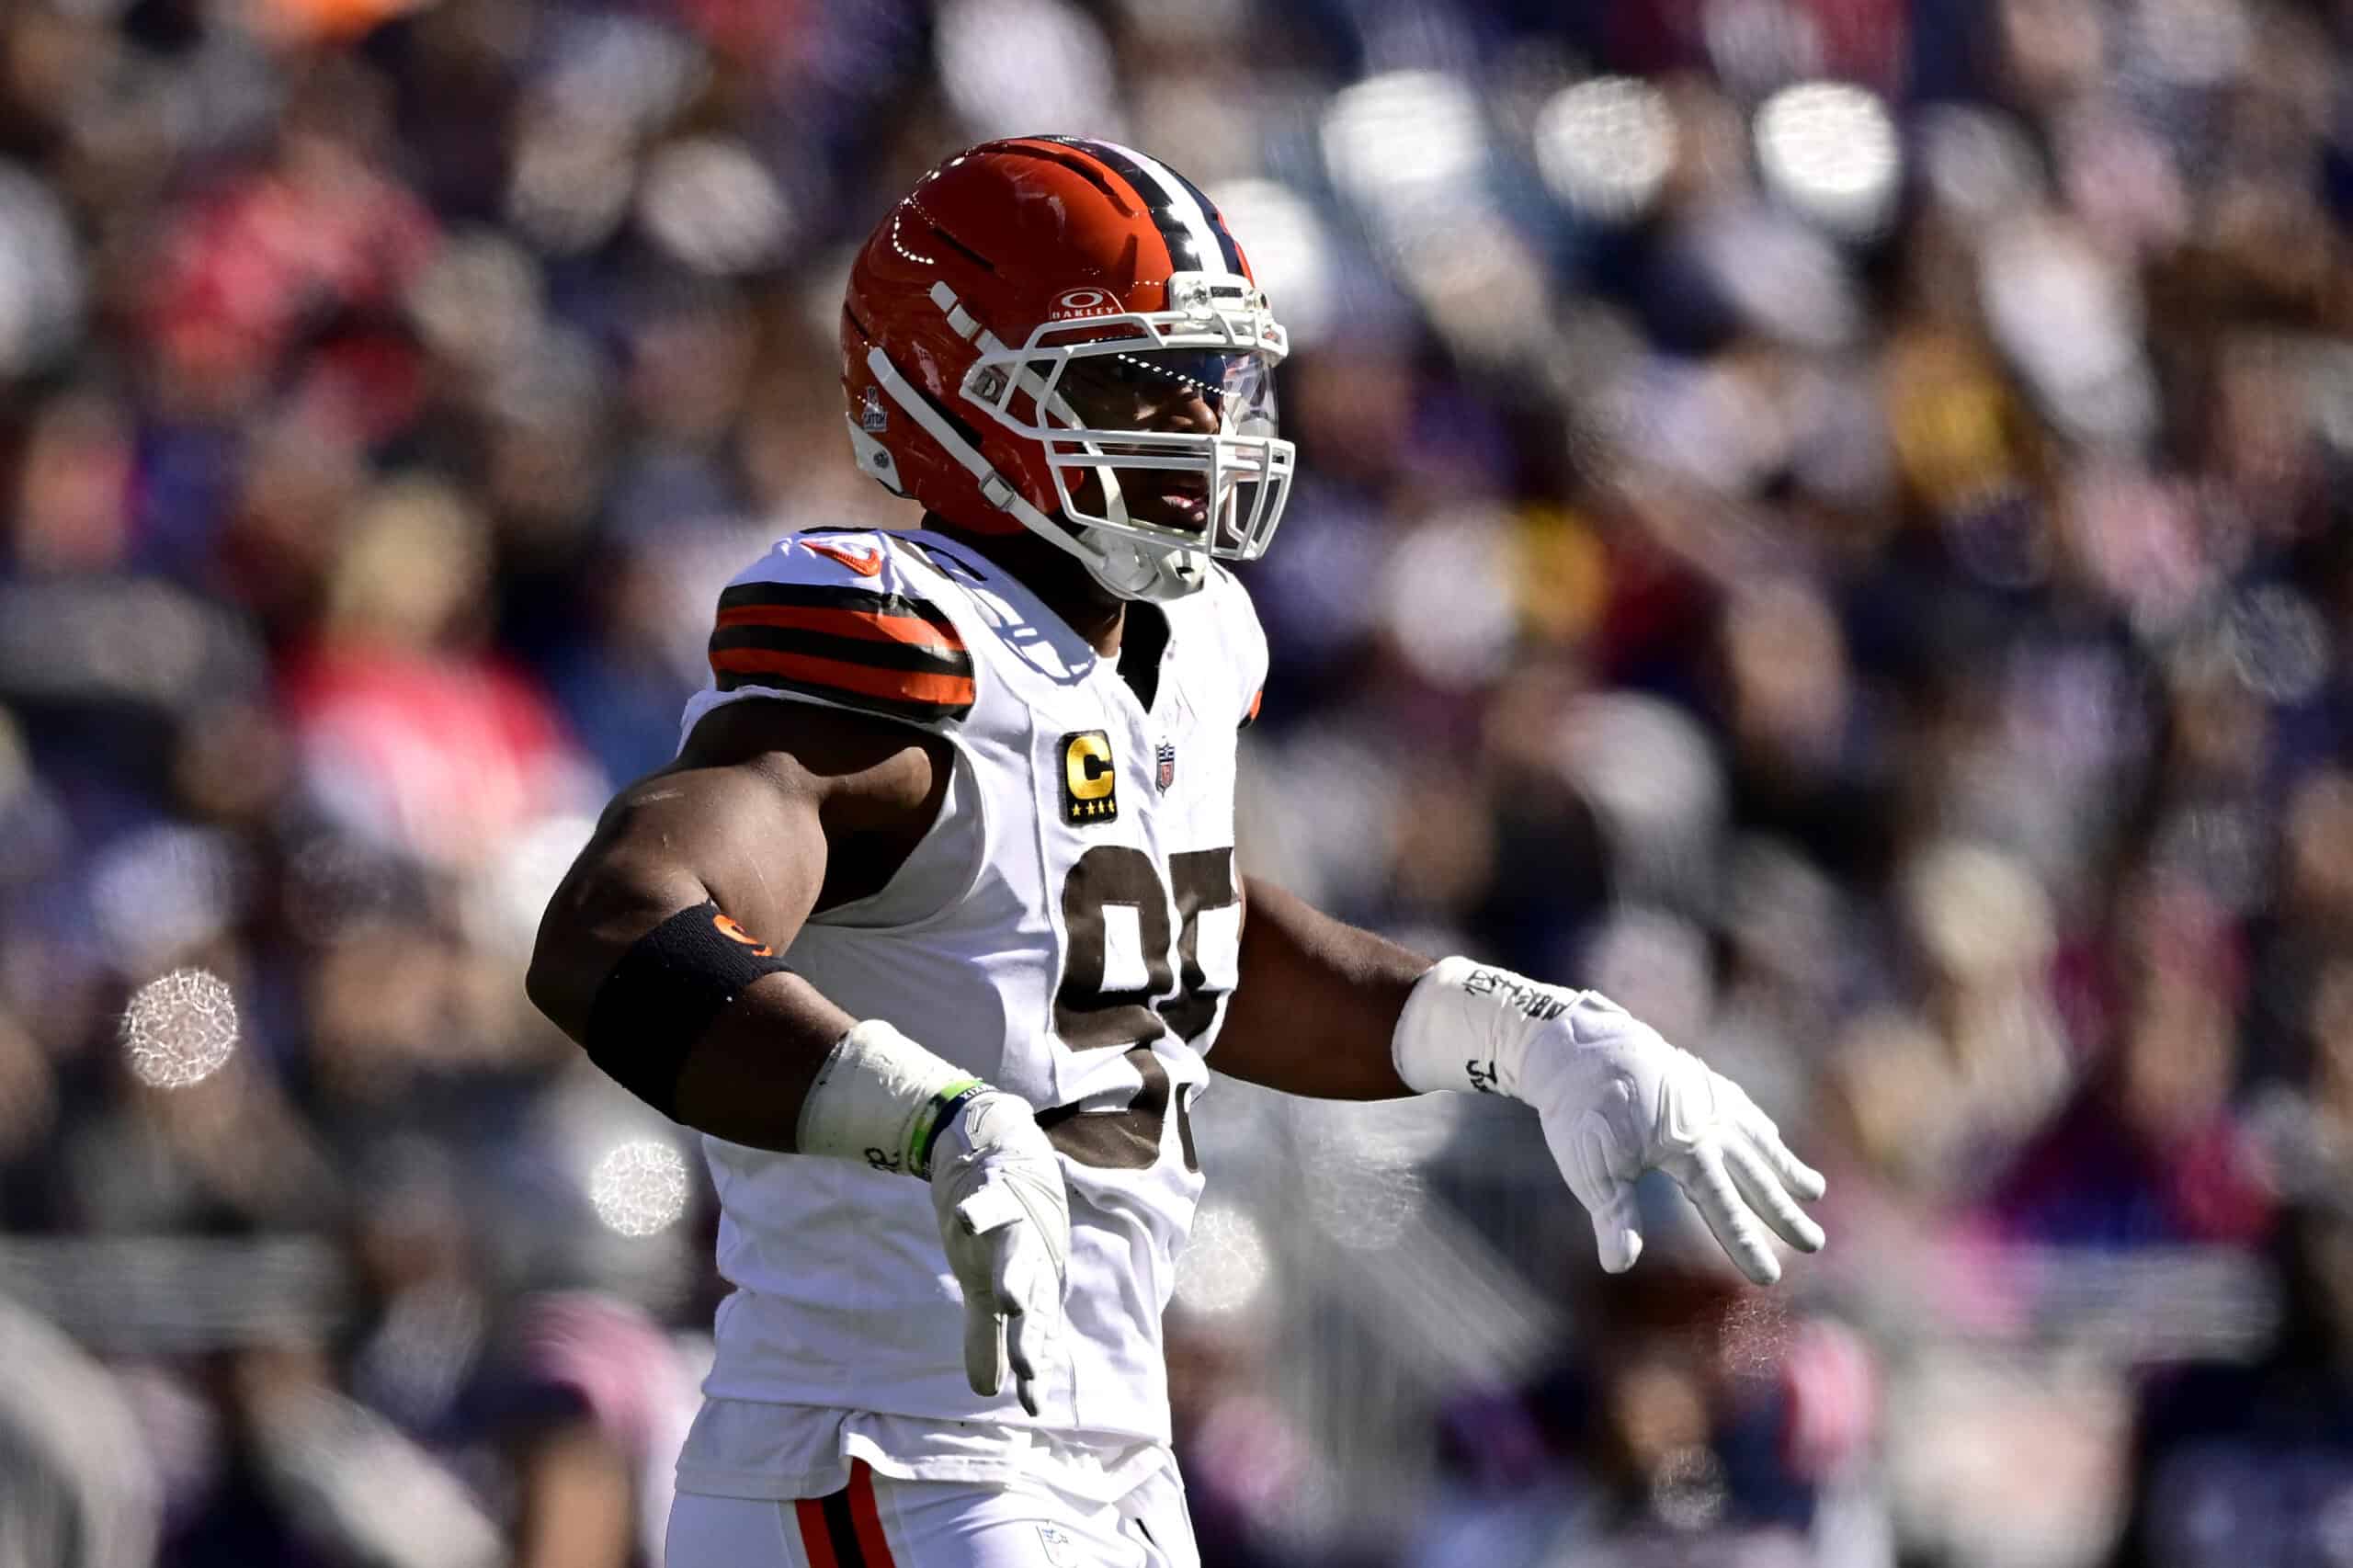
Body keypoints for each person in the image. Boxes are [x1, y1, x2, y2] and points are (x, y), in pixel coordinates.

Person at [526, 136, 1828, 1568]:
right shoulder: (898, 661)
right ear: (961, 396)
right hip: (885, 1450)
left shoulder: (1186, 651)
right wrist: (923, 1114)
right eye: (1134, 380)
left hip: (1111, 1461)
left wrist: (1522, 1032)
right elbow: (613, 926)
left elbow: (1170, 948)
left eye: (1212, 382)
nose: (1197, 431)